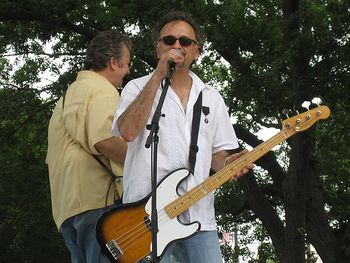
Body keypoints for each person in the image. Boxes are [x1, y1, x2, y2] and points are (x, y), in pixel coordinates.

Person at [112, 11, 251, 263]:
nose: (177, 45)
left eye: (185, 41)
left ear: (197, 51)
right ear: (158, 49)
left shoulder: (211, 97)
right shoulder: (136, 88)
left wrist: (230, 165)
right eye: (169, 40)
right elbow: (128, 132)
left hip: (199, 217)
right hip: (145, 218)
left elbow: (218, 156)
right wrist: (157, 76)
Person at [46, 30, 131, 263]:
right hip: (98, 203)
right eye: (127, 63)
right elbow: (104, 140)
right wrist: (145, 161)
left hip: (66, 208)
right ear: (114, 62)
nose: (129, 71)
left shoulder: (67, 97)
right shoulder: (104, 90)